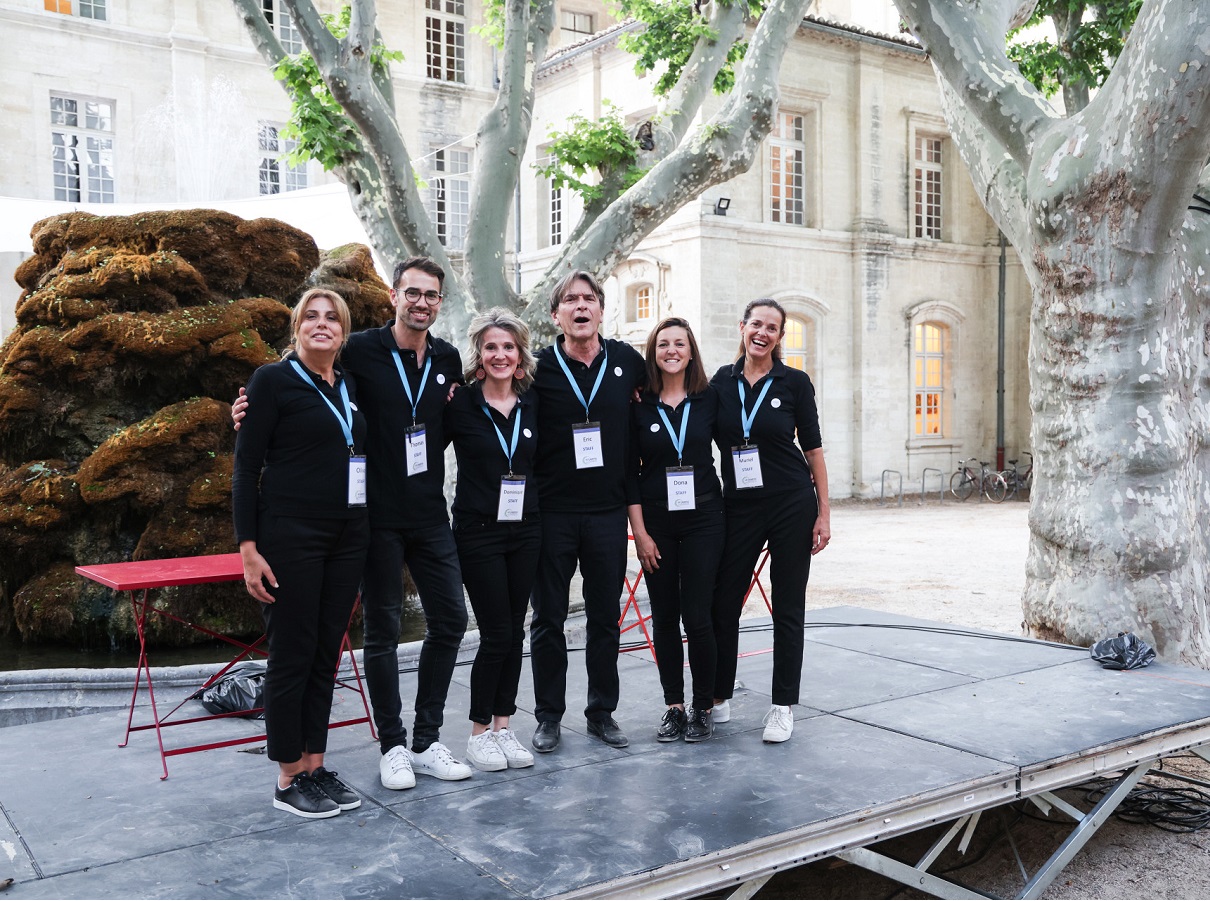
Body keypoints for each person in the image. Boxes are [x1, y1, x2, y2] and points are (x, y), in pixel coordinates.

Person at [233, 257, 472, 789]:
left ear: (440, 302)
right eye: (413, 292)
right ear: (393, 295)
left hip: (424, 515)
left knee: (451, 620)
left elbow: (449, 422)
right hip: (370, 519)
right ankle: (389, 746)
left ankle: (425, 739)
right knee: (378, 632)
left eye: (432, 295)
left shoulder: (448, 360)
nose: (422, 303)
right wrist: (248, 406)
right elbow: (301, 377)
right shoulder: (361, 349)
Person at [232, 288, 370, 818]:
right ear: (296, 329)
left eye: (331, 317)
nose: (321, 324)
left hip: (347, 537)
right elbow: (246, 470)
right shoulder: (271, 381)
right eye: (310, 316)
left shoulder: (349, 386)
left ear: (343, 331)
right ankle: (288, 776)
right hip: (290, 536)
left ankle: (314, 764)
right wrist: (248, 549)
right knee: (292, 655)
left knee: (324, 655)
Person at [528, 270, 647, 753]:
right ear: (556, 315)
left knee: (605, 618)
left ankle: (601, 712)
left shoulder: (626, 362)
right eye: (570, 301)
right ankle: (548, 717)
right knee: (548, 619)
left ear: (601, 309)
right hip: (552, 512)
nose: (581, 307)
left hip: (606, 512)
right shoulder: (536, 368)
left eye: (589, 299)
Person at [710, 298, 831, 743]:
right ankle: (719, 695)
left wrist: (823, 511)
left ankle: (782, 705)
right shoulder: (720, 383)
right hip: (739, 505)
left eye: (772, 327)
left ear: (780, 337)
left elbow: (813, 449)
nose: (762, 333)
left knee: (787, 607)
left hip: (791, 503)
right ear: (741, 327)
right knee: (724, 601)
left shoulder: (795, 382)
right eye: (756, 324)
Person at [443, 308, 541, 771]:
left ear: (519, 356)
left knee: (515, 630)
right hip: (478, 531)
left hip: (526, 530)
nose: (500, 354)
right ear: (479, 356)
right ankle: (479, 731)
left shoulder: (532, 404)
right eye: (491, 347)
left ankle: (504, 727)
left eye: (508, 347)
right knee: (497, 631)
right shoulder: (459, 403)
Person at [627, 317, 724, 743]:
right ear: (654, 351)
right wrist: (641, 534)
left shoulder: (710, 399)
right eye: (663, 343)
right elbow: (629, 474)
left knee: (698, 616)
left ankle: (703, 707)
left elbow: (741, 441)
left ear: (690, 352)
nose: (671, 350)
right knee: (664, 617)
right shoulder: (639, 404)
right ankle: (674, 707)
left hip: (705, 518)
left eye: (679, 343)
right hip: (657, 523)